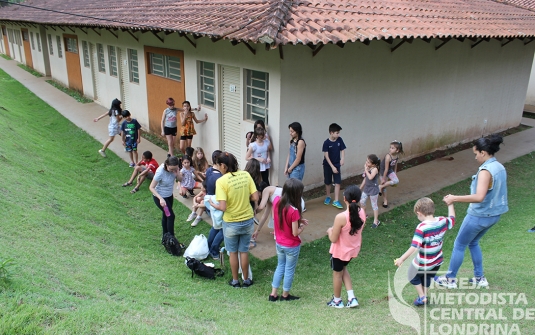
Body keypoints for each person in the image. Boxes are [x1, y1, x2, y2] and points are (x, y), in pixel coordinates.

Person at [435, 135, 508, 289]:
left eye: (476, 154)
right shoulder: (500, 167)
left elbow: (479, 196)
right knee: (473, 242)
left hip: (479, 216)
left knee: (459, 244)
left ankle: (450, 279)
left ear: (483, 152)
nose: (475, 158)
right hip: (494, 216)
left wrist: (454, 198)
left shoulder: (485, 171)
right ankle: (479, 278)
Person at [209, 152, 258, 288]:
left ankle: (235, 281)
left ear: (223, 166)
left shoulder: (221, 181)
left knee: (233, 252)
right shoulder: (246, 175)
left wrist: (213, 205)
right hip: (248, 220)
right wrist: (243, 197)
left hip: (231, 223)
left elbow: (223, 207)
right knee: (244, 251)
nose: (217, 168)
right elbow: (255, 197)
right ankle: (247, 280)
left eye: (218, 165)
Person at [395, 197, 455, 306]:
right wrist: (450, 204)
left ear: (419, 213)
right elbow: (452, 219)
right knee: (427, 277)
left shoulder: (422, 227)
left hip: (423, 262)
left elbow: (414, 247)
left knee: (411, 275)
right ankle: (423, 296)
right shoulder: (442, 221)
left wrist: (401, 259)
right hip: (437, 261)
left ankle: (422, 297)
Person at [326, 185, 366, 308]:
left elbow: (333, 239)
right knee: (343, 270)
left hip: (340, 251)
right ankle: (351, 297)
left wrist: (329, 231)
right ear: (359, 199)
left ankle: (337, 301)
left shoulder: (341, 217)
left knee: (337, 274)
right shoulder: (362, 212)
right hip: (352, 249)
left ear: (344, 199)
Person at [269, 178, 308, 302]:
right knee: (289, 269)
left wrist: (298, 221)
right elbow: (295, 232)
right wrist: (301, 226)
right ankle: (285, 295)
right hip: (291, 245)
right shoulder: (294, 211)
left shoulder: (276, 201)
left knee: (280, 266)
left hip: (279, 243)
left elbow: (279, 216)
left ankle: (273, 294)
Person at [149, 156, 180, 245]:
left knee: (166, 215)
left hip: (169, 196)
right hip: (160, 198)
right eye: (171, 169)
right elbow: (151, 187)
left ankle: (165, 237)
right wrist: (161, 199)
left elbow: (180, 179)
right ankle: (171, 240)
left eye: (175, 168)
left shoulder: (175, 169)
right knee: (170, 216)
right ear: (166, 165)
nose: (172, 171)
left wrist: (177, 173)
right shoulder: (160, 172)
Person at [205, 150, 224, 259]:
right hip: (217, 203)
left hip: (210, 202)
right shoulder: (220, 178)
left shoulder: (209, 171)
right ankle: (213, 250)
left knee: (216, 226)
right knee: (223, 229)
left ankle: (209, 246)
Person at [322, 123, 346, 209]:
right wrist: (332, 167)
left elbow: (342, 149)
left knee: (337, 182)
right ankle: (328, 196)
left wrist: (342, 158)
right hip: (328, 165)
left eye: (339, 133)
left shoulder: (339, 140)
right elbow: (326, 156)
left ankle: (336, 200)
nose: (338, 134)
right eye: (337, 133)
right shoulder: (326, 143)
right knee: (328, 182)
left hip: (337, 164)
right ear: (331, 133)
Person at [379, 140, 404, 208]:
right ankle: (385, 201)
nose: (390, 149)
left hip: (389, 170)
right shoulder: (388, 156)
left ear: (397, 150)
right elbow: (386, 169)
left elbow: (395, 164)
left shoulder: (397, 156)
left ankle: (380, 187)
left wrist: (395, 172)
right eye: (390, 147)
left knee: (396, 180)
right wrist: (383, 179)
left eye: (392, 148)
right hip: (383, 171)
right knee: (384, 185)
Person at [359, 154, 381, 228]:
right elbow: (365, 179)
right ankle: (364, 215)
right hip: (367, 188)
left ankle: (376, 221)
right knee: (362, 201)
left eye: (368, 162)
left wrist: (365, 170)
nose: (366, 163)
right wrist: (360, 187)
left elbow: (370, 177)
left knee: (374, 205)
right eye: (366, 161)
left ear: (374, 164)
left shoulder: (375, 169)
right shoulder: (368, 168)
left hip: (373, 190)